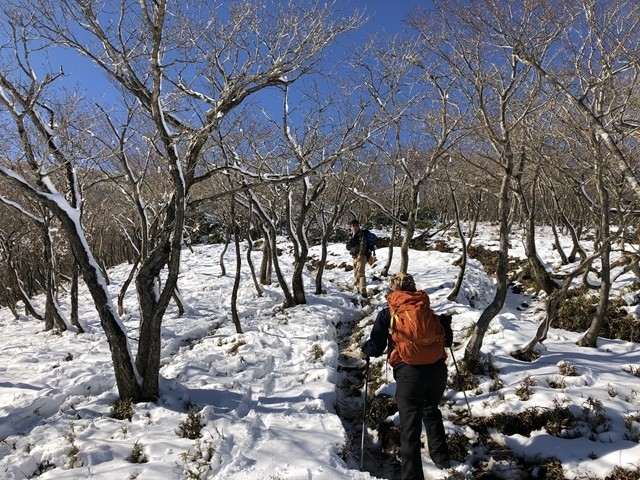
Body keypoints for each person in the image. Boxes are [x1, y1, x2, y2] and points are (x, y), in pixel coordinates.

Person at [362, 272, 451, 480]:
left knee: (410, 426)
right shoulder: (426, 309)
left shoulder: (388, 313)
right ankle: (443, 460)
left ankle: (412, 476)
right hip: (437, 371)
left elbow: (375, 348)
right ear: (413, 288)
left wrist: (365, 348)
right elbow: (446, 341)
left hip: (410, 373)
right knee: (431, 410)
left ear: (393, 289)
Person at [346, 219, 371, 298]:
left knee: (360, 274)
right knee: (356, 273)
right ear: (350, 227)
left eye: (357, 225)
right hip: (354, 256)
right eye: (353, 226)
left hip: (361, 256)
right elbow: (348, 247)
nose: (355, 227)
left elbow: (363, 245)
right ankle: (358, 288)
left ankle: (363, 293)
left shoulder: (361, 234)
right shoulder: (351, 235)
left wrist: (360, 254)